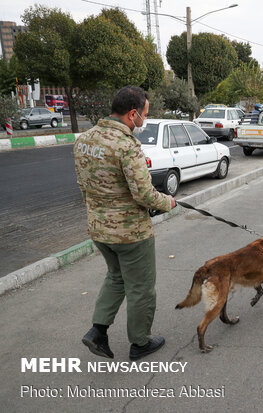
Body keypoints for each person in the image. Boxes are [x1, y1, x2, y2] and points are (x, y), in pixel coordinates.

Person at [75, 86, 176, 361]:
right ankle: (140, 343)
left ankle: (97, 332)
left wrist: (95, 217)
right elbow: (144, 194)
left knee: (116, 277)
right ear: (132, 114)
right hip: (131, 234)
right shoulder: (126, 145)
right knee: (141, 288)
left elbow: (83, 186)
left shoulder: (84, 140)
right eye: (144, 114)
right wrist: (169, 202)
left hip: (99, 229)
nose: (144, 119)